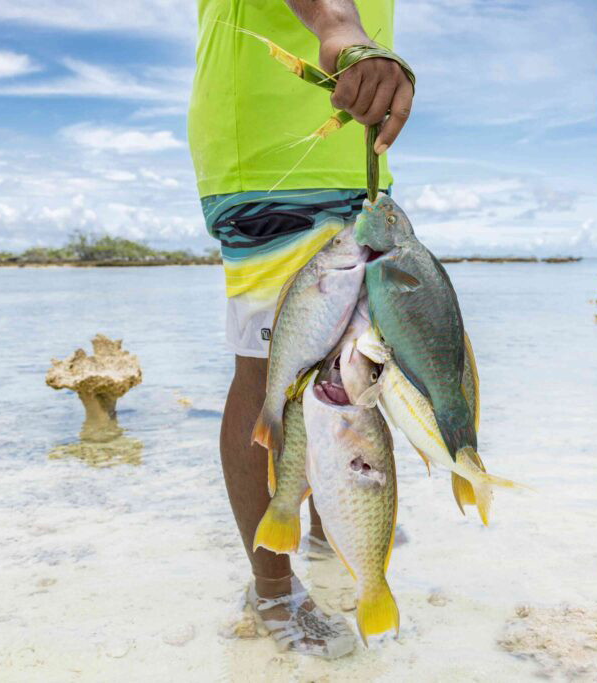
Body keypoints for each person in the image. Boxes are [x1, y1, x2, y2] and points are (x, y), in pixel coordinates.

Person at [187, 0, 413, 659]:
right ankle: (272, 586)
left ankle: (325, 528)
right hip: (273, 144)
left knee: (352, 363)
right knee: (271, 376)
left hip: (355, 143)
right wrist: (337, 24)